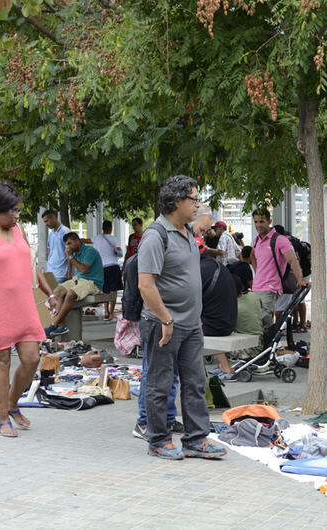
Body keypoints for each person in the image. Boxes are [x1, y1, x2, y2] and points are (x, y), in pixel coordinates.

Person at [137, 175, 227, 460]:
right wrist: (165, 319)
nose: (198, 205)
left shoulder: (189, 232)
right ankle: (158, 440)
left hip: (190, 325)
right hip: (163, 324)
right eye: (194, 199)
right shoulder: (156, 235)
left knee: (195, 381)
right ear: (177, 202)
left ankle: (196, 438)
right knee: (160, 383)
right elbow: (145, 285)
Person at [0, 182, 58, 437]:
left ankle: (12, 403)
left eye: (18, 211)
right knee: (2, 362)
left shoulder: (18, 230)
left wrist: (49, 293)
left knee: (31, 359)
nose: (17, 215)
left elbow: (31, 266)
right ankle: (2, 417)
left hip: (24, 305)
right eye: (14, 211)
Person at [249, 209, 307, 329]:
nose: (258, 225)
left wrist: (300, 280)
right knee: (256, 320)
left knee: (263, 320)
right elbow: (252, 256)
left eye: (261, 221)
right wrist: (257, 272)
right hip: (256, 287)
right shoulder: (256, 240)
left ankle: (268, 343)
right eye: (256, 222)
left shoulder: (280, 240)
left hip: (270, 287)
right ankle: (267, 344)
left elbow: (293, 260)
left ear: (269, 221)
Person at [46, 232, 104, 335]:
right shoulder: (73, 252)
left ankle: (54, 325)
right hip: (79, 280)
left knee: (70, 294)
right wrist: (68, 272)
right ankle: (62, 326)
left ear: (77, 241)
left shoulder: (90, 251)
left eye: (70, 243)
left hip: (92, 282)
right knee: (57, 292)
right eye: (67, 244)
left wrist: (70, 256)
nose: (68, 246)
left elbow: (82, 270)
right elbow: (71, 261)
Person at [201, 252, 238, 379]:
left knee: (186, 330)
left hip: (217, 325)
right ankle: (223, 366)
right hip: (229, 321)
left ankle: (227, 369)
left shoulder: (202, 269)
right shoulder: (218, 266)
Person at [92, 220, 124, 320]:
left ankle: (106, 311)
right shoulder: (113, 238)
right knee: (113, 291)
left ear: (102, 228)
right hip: (113, 267)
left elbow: (86, 240)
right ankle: (111, 313)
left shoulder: (97, 238)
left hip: (102, 268)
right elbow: (120, 252)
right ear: (110, 228)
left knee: (105, 290)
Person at [42, 209, 71, 284]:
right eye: (44, 222)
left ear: (53, 218)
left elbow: (70, 252)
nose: (46, 224)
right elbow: (49, 249)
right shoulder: (51, 234)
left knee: (57, 295)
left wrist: (69, 272)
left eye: (47, 221)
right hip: (51, 271)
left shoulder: (65, 231)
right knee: (50, 295)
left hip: (61, 274)